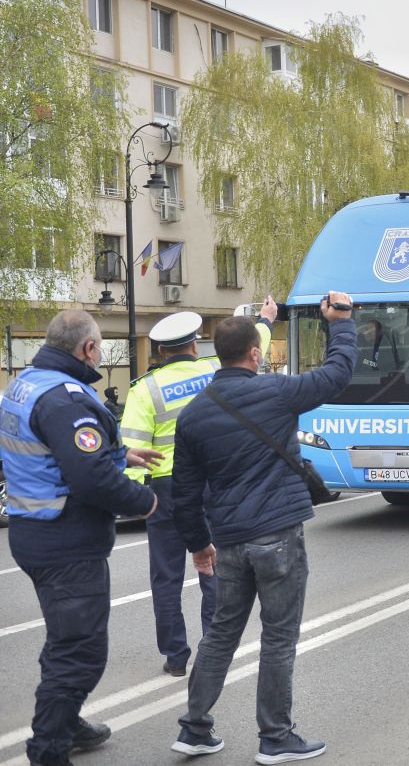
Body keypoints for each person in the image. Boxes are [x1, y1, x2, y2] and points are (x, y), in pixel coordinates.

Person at [168, 292, 356, 763]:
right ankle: (275, 737)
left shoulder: (194, 414)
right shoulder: (277, 391)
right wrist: (341, 322)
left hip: (228, 540)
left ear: (217, 354)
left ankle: (194, 729)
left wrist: (198, 545)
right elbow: (337, 374)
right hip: (277, 534)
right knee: (278, 637)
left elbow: (184, 493)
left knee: (220, 634)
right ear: (255, 354)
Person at [0, 309, 161, 766]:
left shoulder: (28, 381)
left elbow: (54, 446)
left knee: (63, 639)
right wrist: (145, 504)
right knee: (80, 653)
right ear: (88, 349)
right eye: (100, 348)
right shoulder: (65, 399)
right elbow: (91, 479)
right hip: (66, 542)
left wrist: (121, 452)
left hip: (36, 531)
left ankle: (66, 722)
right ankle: (48, 749)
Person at [120, 305, 276, 677]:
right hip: (213, 482)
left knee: (166, 576)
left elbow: (130, 450)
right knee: (214, 566)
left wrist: (135, 499)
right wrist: (266, 319)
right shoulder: (214, 371)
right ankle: (213, 648)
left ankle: (175, 657)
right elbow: (256, 343)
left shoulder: (146, 390)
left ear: (160, 351)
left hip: (165, 489)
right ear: (195, 345)